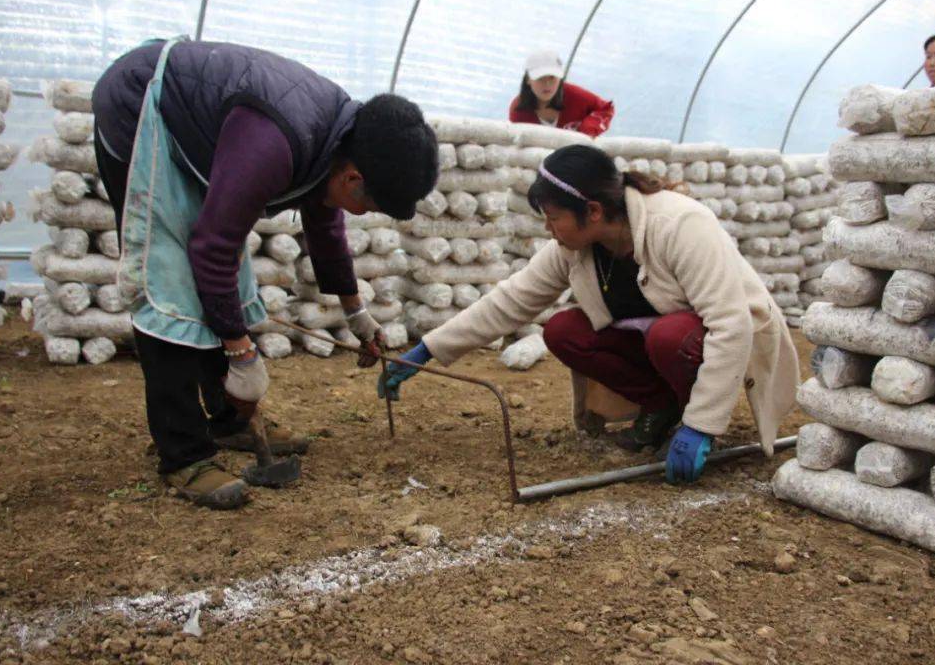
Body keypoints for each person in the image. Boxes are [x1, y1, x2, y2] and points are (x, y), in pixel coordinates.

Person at [92, 37, 438, 509]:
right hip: (142, 106)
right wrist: (242, 354)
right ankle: (184, 454)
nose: (358, 214)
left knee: (221, 273)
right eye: (368, 205)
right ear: (354, 178)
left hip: (206, 122)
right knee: (170, 275)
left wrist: (356, 313)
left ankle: (228, 419)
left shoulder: (340, 139)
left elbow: (325, 224)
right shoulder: (274, 141)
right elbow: (212, 250)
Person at [378, 145, 799, 483]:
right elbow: (511, 300)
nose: (549, 228)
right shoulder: (574, 247)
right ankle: (661, 407)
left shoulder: (679, 225)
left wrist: (703, 424)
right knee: (563, 330)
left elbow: (731, 323)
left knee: (669, 336)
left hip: (709, 341)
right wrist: (427, 349)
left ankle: (689, 420)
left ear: (593, 211)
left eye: (554, 217)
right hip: (657, 341)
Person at [508, 50, 614, 136]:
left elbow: (606, 108)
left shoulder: (575, 96)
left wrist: (588, 130)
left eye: (552, 78)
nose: (547, 84)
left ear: (560, 78)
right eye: (540, 78)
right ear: (528, 80)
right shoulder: (518, 110)